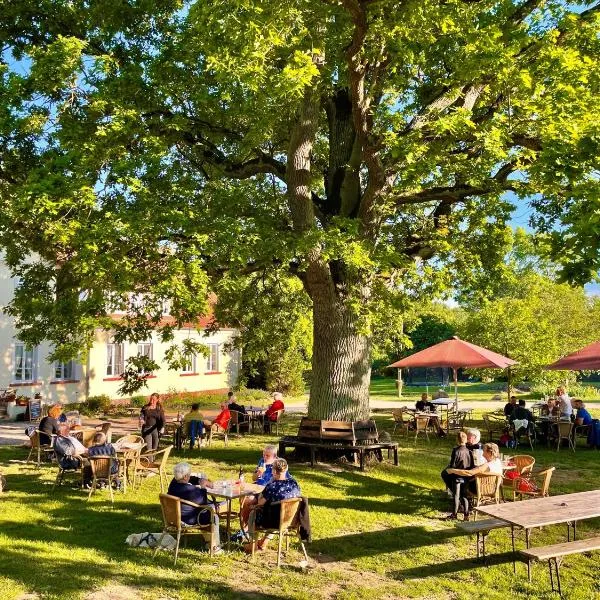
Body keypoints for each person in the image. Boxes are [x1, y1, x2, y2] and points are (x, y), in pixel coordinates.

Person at [243, 458, 301, 553]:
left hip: (274, 521)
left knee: (253, 514)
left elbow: (260, 502)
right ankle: (264, 541)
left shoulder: (272, 486)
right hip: (293, 519)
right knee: (277, 512)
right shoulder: (294, 483)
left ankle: (252, 544)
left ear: (273, 471)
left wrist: (267, 486)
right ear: (286, 469)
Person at [167, 462, 221, 553]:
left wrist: (199, 480)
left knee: (207, 513)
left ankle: (209, 542)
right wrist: (203, 487)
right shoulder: (190, 490)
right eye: (189, 474)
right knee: (213, 516)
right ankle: (214, 547)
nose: (189, 476)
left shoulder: (174, 484)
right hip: (187, 519)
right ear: (185, 477)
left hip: (174, 516)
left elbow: (190, 479)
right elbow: (203, 502)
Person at [447, 442, 502, 520]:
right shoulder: (498, 462)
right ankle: (465, 511)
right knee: (465, 482)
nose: (482, 454)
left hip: (479, 489)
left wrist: (453, 470)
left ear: (490, 453)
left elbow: (469, 473)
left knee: (460, 484)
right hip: (493, 489)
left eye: (484, 451)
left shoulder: (486, 466)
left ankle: (464, 511)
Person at [441, 432, 474, 520]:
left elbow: (452, 465)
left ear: (457, 440)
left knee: (456, 495)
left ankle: (454, 514)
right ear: (466, 440)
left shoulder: (456, 451)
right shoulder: (469, 452)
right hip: (466, 476)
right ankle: (466, 515)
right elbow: (472, 466)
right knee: (464, 495)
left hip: (456, 476)